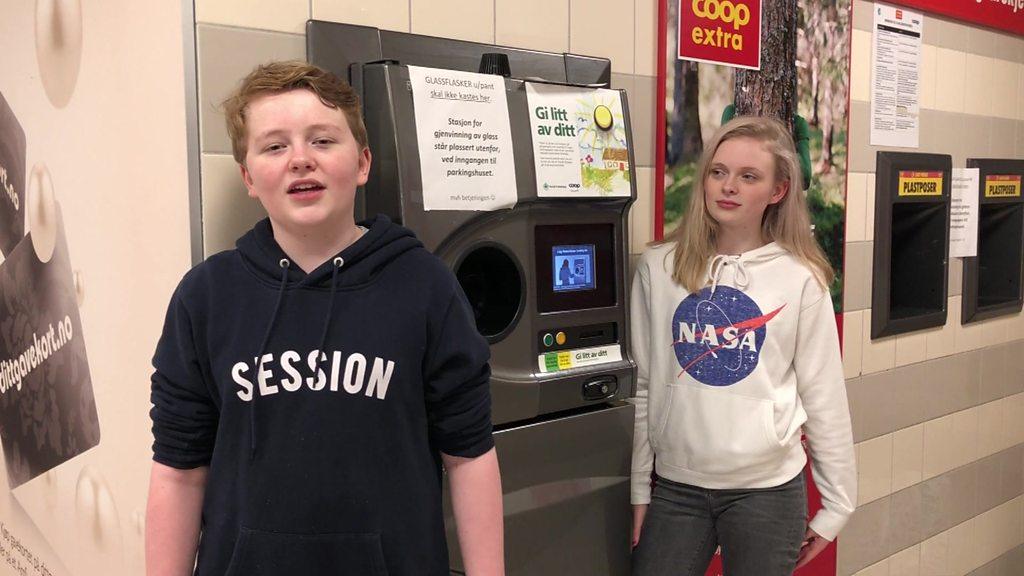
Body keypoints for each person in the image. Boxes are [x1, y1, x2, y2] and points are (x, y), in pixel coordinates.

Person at [145, 61, 504, 576]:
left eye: (322, 141)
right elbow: (179, 473)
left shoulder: (425, 287)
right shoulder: (205, 298)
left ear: (362, 164)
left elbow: (468, 456)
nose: (300, 160)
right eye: (274, 146)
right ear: (248, 177)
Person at [629, 116, 856, 576]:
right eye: (718, 172)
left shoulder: (800, 279)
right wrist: (640, 489)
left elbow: (825, 398)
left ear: (777, 191)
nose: (728, 187)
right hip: (678, 487)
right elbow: (645, 387)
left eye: (748, 176)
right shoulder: (660, 267)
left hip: (767, 491)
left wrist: (837, 507)